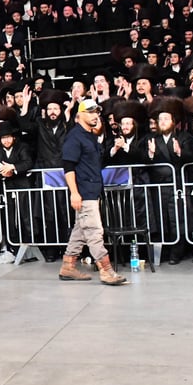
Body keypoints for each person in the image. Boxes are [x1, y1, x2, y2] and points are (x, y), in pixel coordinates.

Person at [57, 98, 126, 285]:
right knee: (95, 231)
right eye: (91, 112)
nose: (96, 115)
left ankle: (68, 267)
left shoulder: (90, 136)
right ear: (79, 115)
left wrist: (113, 150)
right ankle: (106, 271)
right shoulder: (75, 137)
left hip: (92, 191)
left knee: (80, 231)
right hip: (84, 192)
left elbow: (96, 163)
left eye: (97, 112)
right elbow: (68, 166)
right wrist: (74, 193)